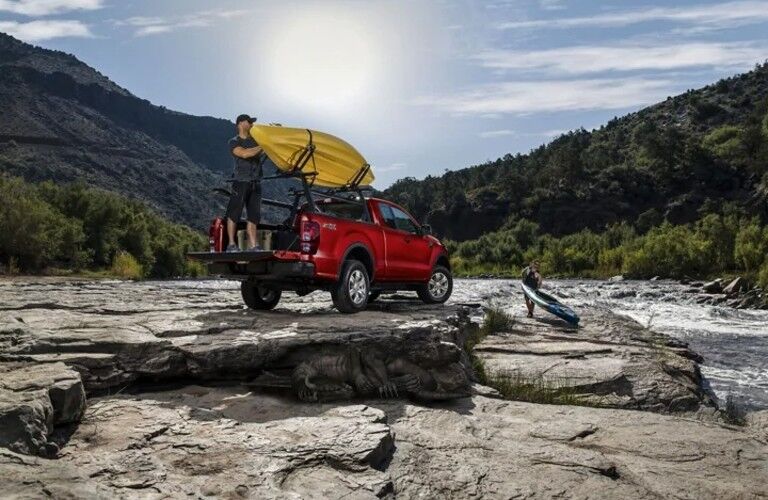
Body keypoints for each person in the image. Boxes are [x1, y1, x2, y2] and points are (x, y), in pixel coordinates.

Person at [225, 114, 264, 252]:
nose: (252, 124)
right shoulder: (234, 142)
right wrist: (264, 146)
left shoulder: (256, 141)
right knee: (234, 213)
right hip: (240, 182)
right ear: (241, 123)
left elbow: (266, 150)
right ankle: (231, 244)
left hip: (256, 182)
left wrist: (269, 140)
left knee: (254, 216)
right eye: (249, 122)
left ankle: (253, 246)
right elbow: (244, 154)